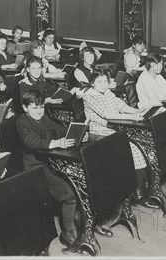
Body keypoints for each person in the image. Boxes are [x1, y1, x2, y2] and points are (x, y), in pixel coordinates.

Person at [16, 90, 78, 247]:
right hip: (35, 166)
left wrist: (76, 132)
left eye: (42, 107)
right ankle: (67, 232)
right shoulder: (22, 121)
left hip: (52, 162)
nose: (39, 111)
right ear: (25, 108)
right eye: (34, 108)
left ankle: (72, 218)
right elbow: (31, 142)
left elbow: (57, 128)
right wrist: (55, 143)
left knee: (78, 183)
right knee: (69, 193)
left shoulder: (43, 117)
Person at [83, 72, 150, 203]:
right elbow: (107, 115)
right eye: (99, 82)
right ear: (92, 83)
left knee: (139, 149)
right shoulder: (88, 96)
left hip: (114, 130)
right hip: (99, 133)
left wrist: (137, 111)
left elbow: (121, 106)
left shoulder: (107, 92)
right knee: (134, 151)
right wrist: (132, 117)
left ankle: (139, 189)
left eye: (104, 81)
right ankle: (136, 193)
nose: (103, 85)